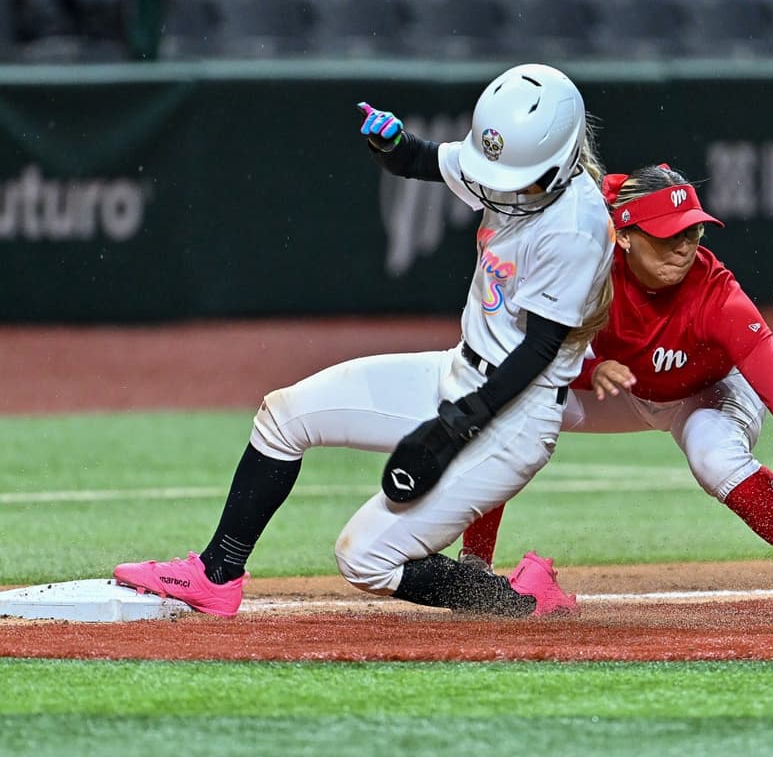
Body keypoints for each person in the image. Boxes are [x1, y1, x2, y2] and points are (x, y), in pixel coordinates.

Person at [114, 63, 614, 619]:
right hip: (458, 373)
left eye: (517, 180)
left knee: (364, 560)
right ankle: (216, 575)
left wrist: (452, 429)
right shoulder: (510, 164)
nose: (499, 189)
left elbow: (539, 350)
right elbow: (424, 160)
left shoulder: (574, 227)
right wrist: (394, 144)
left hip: (513, 418)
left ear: (563, 160)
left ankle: (520, 604)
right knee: (284, 417)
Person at [459, 163, 773, 624]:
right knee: (508, 404)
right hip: (621, 386)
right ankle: (473, 572)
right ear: (624, 237)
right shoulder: (588, 266)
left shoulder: (718, 298)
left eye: (692, 232)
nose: (684, 246)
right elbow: (534, 354)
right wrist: (590, 373)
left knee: (714, 456)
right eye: (668, 236)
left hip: (707, 394)